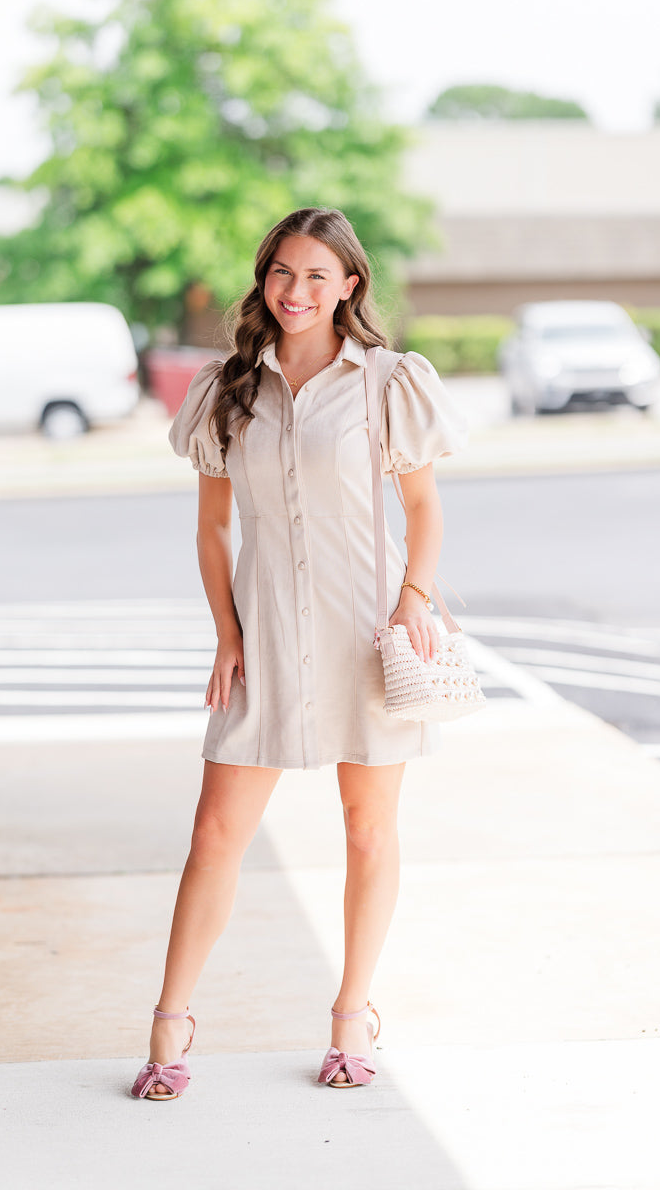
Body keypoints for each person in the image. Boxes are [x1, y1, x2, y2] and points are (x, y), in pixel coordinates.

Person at [131, 207, 468, 1100]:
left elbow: (425, 512)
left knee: (368, 831)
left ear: (351, 284)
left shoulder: (389, 384)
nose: (296, 291)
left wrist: (411, 605)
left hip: (367, 633)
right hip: (268, 634)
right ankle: (170, 1026)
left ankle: (352, 1017)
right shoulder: (227, 389)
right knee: (213, 834)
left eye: (318, 276)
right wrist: (228, 633)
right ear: (263, 278)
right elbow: (212, 528)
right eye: (283, 272)